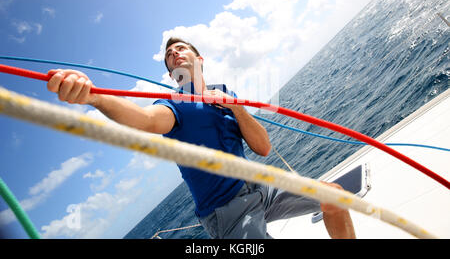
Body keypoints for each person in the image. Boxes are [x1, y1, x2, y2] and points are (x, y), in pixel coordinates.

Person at [46, 37, 356, 239]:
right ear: (171, 74)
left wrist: (236, 107)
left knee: (336, 198)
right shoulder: (172, 105)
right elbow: (145, 121)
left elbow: (262, 147)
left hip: (263, 187)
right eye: (169, 56)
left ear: (199, 58)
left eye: (180, 49)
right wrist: (96, 97)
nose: (174, 54)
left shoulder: (226, 95)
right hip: (227, 212)